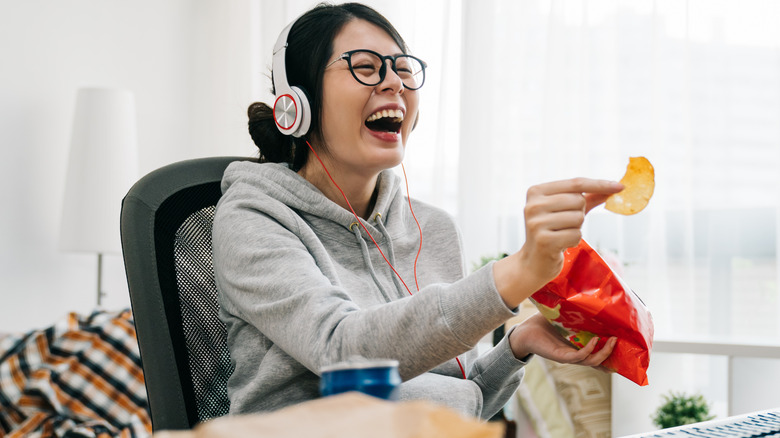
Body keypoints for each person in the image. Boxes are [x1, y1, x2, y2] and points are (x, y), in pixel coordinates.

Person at [212, 2, 623, 420]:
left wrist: (516, 346)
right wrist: (517, 273)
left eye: (403, 69)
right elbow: (342, 352)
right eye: (366, 68)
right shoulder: (253, 219)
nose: (394, 83)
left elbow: (463, 402)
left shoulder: (433, 228)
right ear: (297, 104)